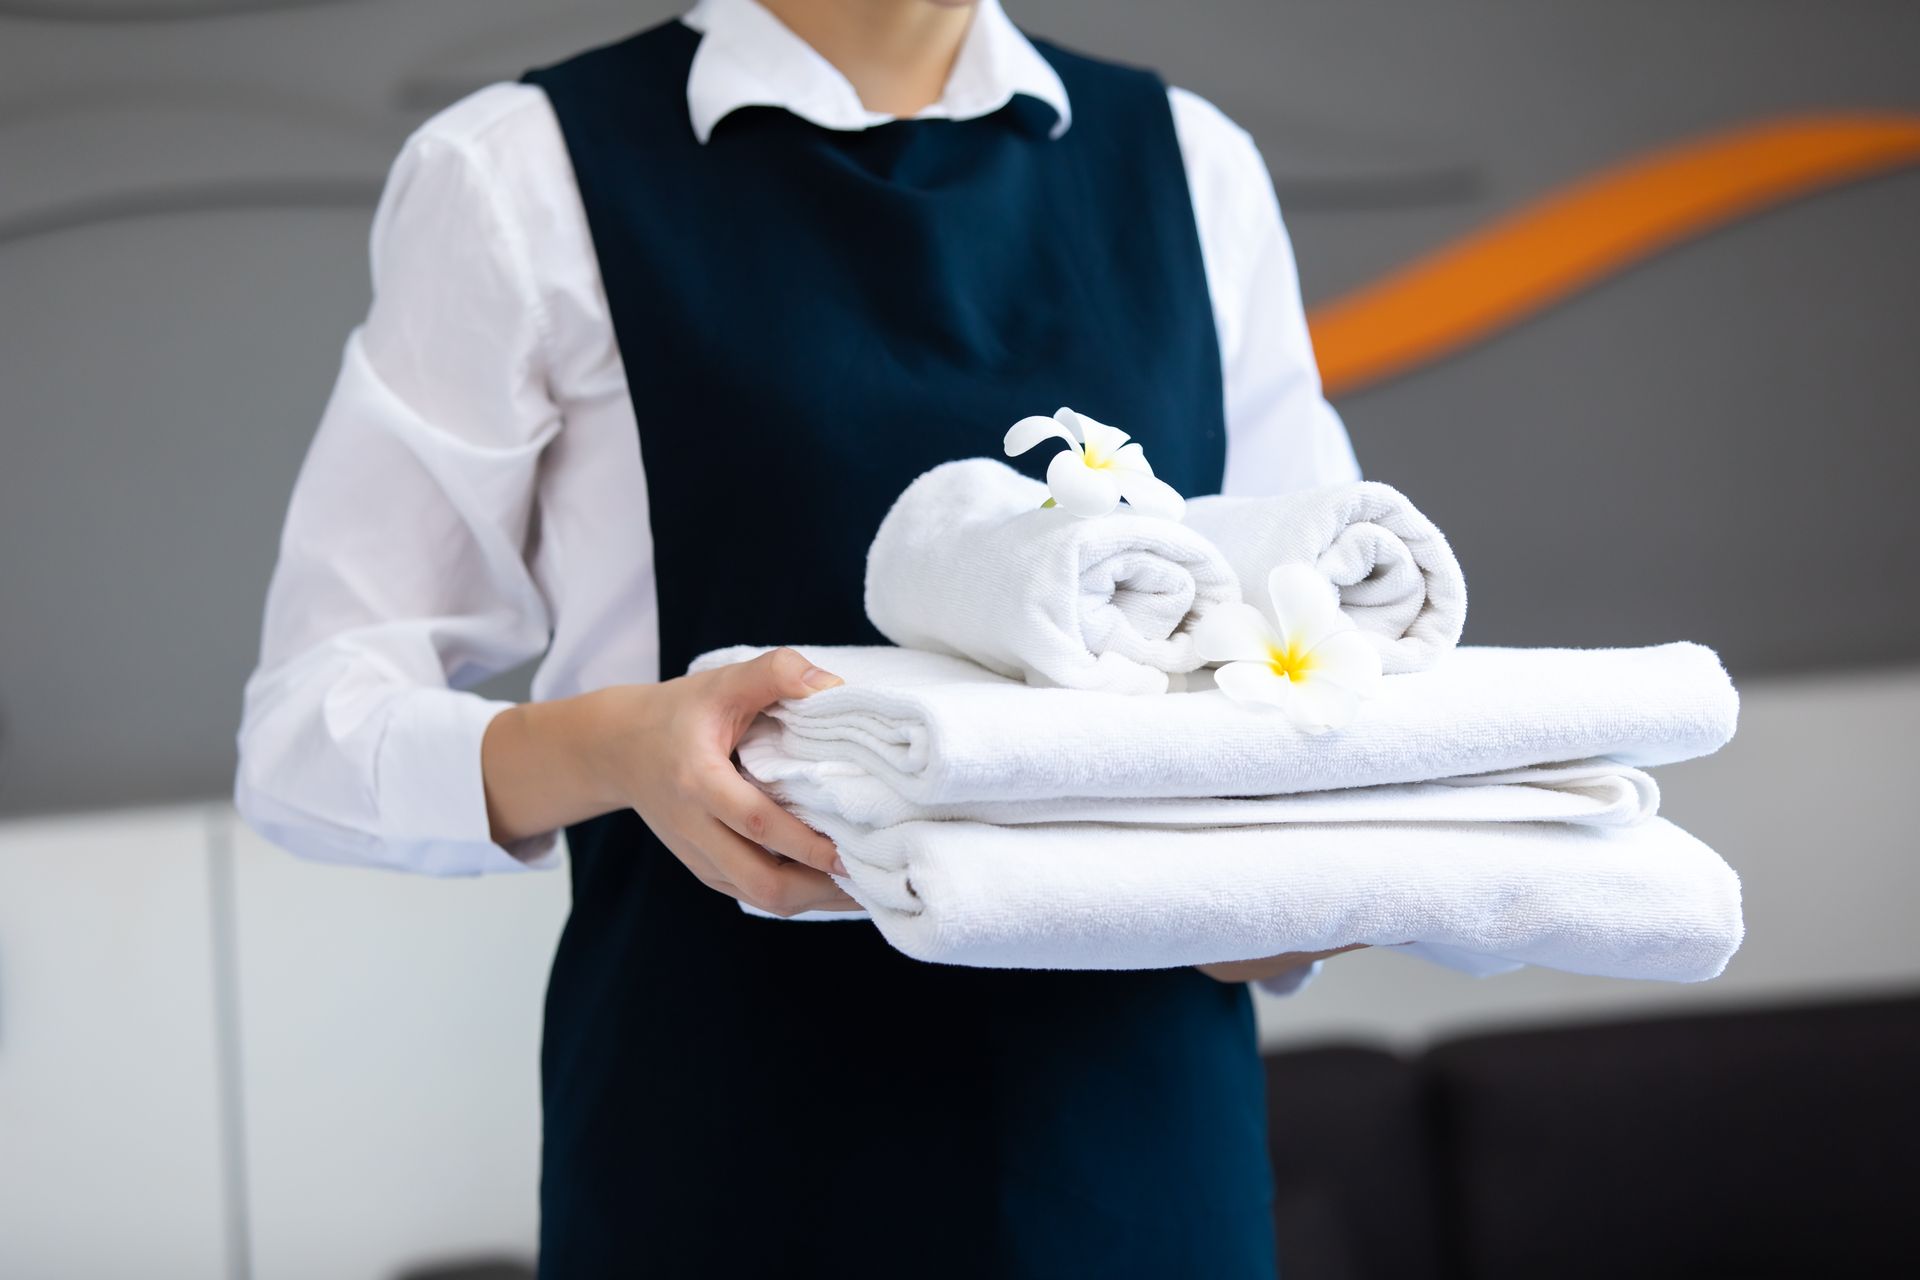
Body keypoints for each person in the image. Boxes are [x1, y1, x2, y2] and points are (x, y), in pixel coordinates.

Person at [235, 0, 1367, 1272]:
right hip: (725, 1153)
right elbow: (304, 737)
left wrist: (1304, 882)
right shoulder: (523, 172)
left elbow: (1315, 664)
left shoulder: (1190, 163)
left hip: (1143, 1161)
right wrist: (613, 746)